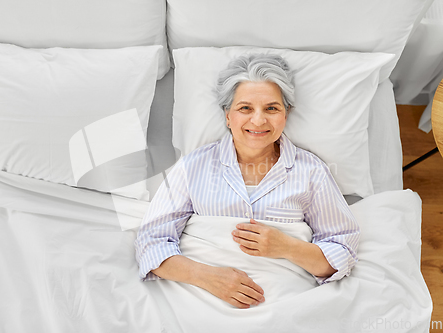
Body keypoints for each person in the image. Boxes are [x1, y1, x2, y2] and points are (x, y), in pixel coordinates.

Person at [135, 53, 360, 309]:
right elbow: (151, 242)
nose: (258, 120)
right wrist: (207, 277)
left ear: (286, 114)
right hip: (198, 301)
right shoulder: (193, 166)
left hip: (285, 305)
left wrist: (287, 246)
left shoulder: (312, 170)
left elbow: (342, 251)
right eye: (245, 108)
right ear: (228, 115)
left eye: (271, 108)